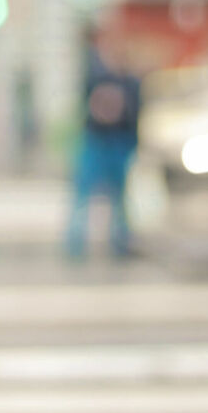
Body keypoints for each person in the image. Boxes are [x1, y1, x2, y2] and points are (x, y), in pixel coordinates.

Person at [65, 28, 141, 260]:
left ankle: (120, 242)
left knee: (120, 198)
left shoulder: (132, 82)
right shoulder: (96, 76)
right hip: (97, 141)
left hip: (121, 142)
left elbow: (137, 113)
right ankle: (75, 243)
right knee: (83, 194)